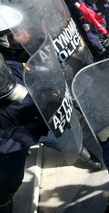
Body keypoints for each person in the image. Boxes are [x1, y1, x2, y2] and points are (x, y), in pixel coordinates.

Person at [0, 55, 49, 213]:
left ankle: (89, 159)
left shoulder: (11, 66)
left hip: (41, 122)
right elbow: (5, 142)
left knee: (64, 139)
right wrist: (31, 133)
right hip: (15, 147)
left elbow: (34, 72)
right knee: (9, 183)